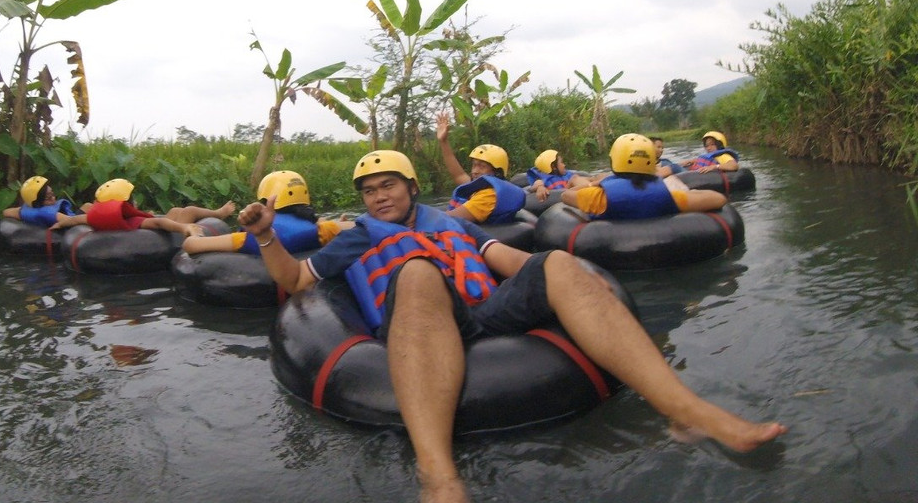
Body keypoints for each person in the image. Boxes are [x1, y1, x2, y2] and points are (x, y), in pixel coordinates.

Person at [237, 149, 787, 503]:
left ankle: (688, 414)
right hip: (418, 319)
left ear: (409, 185)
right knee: (419, 270)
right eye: (370, 189)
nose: (380, 195)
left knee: (559, 265)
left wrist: (577, 280)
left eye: (389, 184)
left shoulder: (449, 223)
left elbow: (510, 262)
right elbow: (295, 279)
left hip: (484, 313)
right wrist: (266, 235)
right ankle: (439, 475)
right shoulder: (356, 236)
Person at [181, 170, 351, 255]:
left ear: (265, 202)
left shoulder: (251, 236)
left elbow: (190, 246)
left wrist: (194, 232)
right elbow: (353, 225)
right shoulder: (324, 229)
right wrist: (339, 224)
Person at [562, 134, 728, 219]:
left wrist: (597, 184)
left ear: (616, 160)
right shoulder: (670, 196)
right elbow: (718, 199)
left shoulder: (598, 197)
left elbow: (566, 195)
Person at [435, 110, 525, 223]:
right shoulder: (481, 188)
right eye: (474, 165)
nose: (475, 171)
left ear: (497, 171)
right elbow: (459, 175)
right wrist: (443, 142)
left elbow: (448, 219)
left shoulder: (489, 196)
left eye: (482, 166)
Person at [52, 178, 205, 236]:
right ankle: (218, 213)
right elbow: (159, 223)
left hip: (156, 224)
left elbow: (74, 220)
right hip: (173, 231)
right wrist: (184, 228)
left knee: (173, 211)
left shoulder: (95, 220)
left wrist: (59, 224)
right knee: (186, 211)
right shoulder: (134, 222)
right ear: (127, 204)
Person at [2, 175, 85, 227]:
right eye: (48, 197)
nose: (53, 198)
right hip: (70, 226)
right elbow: (73, 220)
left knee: (87, 205)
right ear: (37, 202)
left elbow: (6, 212)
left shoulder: (30, 208)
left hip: (71, 218)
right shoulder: (47, 212)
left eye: (52, 194)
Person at [524, 148, 591, 202]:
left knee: (576, 178)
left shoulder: (566, 175)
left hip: (569, 192)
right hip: (561, 197)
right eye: (561, 162)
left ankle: (596, 187)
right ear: (553, 167)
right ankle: (593, 190)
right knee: (574, 178)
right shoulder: (541, 180)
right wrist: (540, 187)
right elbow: (537, 184)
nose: (564, 165)